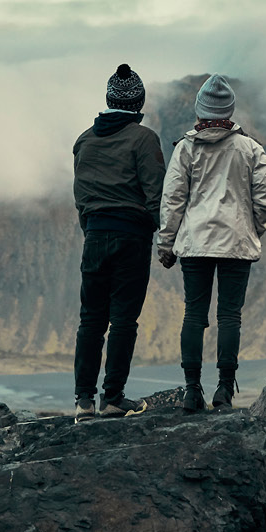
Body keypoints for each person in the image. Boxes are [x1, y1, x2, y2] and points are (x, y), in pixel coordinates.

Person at [157, 73, 266, 411]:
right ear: (229, 110)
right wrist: (254, 229)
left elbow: (173, 200)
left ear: (200, 110)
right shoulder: (250, 149)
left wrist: (166, 244)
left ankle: (191, 390)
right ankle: (224, 391)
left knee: (194, 314)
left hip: (195, 244)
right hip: (236, 244)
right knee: (229, 316)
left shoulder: (185, 149)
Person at [71, 63, 165, 421]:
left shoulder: (84, 141)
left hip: (94, 236)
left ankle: (83, 402)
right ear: (138, 103)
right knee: (124, 319)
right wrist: (165, 239)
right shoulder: (144, 139)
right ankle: (113, 398)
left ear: (108, 100)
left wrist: (92, 229)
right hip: (131, 237)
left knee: (90, 320)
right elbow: (156, 194)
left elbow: (80, 197)